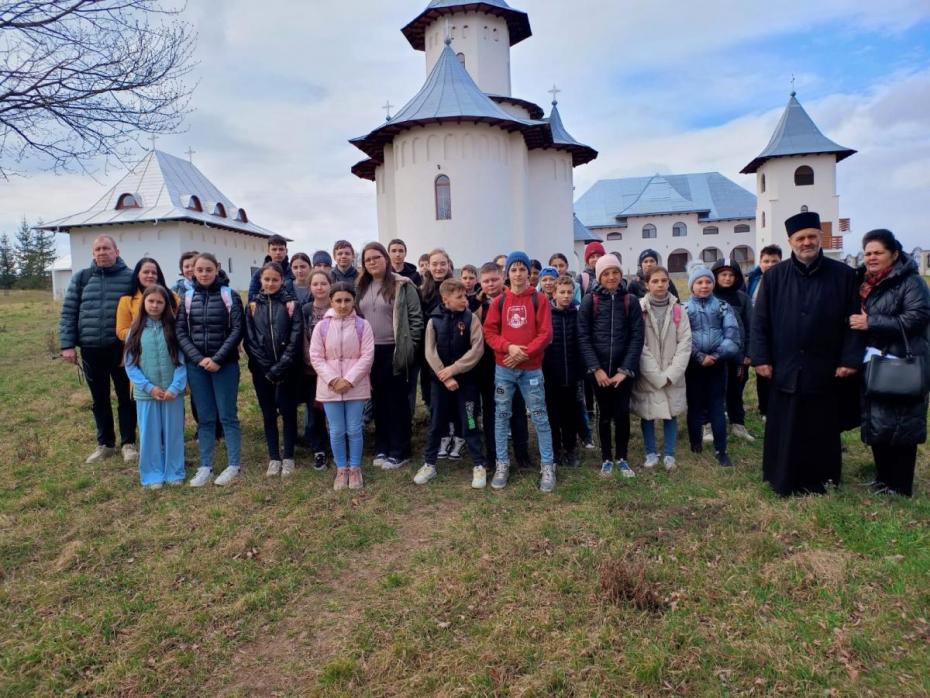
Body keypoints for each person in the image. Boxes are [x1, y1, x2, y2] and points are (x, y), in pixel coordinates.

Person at [750, 211, 864, 496]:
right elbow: (760, 321)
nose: (806, 242)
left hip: (825, 365)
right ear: (790, 241)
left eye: (812, 236)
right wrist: (761, 358)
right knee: (785, 425)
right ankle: (782, 478)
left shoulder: (843, 275)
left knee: (820, 425)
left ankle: (821, 480)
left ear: (820, 237)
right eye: (800, 238)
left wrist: (850, 359)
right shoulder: (774, 276)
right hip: (784, 364)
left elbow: (854, 322)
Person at [850, 229, 930, 497]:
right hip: (874, 361)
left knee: (903, 424)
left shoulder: (911, 282)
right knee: (878, 421)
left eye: (878, 253)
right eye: (868, 253)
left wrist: (871, 322)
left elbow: (916, 317)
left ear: (894, 254)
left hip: (902, 362)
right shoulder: (863, 281)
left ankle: (901, 485)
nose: (871, 258)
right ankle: (883, 478)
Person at [59, 234, 137, 464]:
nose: (102, 252)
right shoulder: (82, 278)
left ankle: (128, 443)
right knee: (99, 398)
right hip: (91, 348)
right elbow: (69, 312)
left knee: (126, 397)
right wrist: (67, 345)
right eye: (98, 249)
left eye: (106, 248)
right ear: (93, 253)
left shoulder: (130, 278)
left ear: (116, 252)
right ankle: (105, 444)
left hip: (122, 349)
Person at [483, 251, 557, 492]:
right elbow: (490, 332)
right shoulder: (499, 302)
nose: (517, 274)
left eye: (522, 269)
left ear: (528, 272)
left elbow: (545, 333)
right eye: (513, 270)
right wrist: (509, 348)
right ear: (507, 274)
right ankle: (502, 463)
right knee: (501, 416)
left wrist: (525, 353)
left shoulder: (539, 299)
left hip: (531, 370)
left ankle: (548, 465)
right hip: (504, 369)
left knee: (540, 416)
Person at [175, 252, 245, 487]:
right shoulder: (186, 298)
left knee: (227, 415)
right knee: (205, 418)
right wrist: (198, 359)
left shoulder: (229, 295)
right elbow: (181, 332)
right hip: (197, 367)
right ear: (192, 272)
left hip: (225, 365)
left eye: (208, 269)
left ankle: (233, 464)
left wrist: (217, 359)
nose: (204, 274)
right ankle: (205, 465)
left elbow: (237, 330)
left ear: (217, 269)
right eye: (199, 270)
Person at [356, 242, 423, 469]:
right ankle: (382, 447)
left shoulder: (402, 284)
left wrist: (409, 349)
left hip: (395, 350)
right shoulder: (361, 286)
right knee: (378, 402)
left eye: (376, 257)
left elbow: (416, 320)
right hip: (369, 351)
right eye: (367, 259)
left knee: (397, 403)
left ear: (385, 258)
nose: (372, 262)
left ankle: (400, 450)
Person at [578, 254, 645, 477]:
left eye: (615, 272)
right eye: (606, 273)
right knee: (604, 414)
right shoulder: (590, 301)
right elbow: (583, 337)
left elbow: (637, 337)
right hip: (598, 372)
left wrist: (625, 370)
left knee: (622, 413)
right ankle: (606, 457)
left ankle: (622, 457)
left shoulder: (630, 301)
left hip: (622, 371)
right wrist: (596, 369)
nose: (611, 277)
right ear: (599, 276)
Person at [416, 278, 488, 487]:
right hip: (441, 384)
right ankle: (429, 464)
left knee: (470, 422)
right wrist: (445, 376)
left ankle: (479, 465)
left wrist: (454, 370)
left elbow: (477, 349)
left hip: (467, 383)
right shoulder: (433, 321)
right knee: (436, 423)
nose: (465, 300)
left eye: (465, 296)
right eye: (459, 297)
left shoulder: (471, 319)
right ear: (445, 299)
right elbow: (429, 351)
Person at [309, 283, 376, 490]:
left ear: (354, 301)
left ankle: (354, 468)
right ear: (331, 301)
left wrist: (349, 380)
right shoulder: (322, 327)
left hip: (355, 386)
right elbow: (316, 357)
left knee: (354, 429)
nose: (343, 305)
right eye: (338, 300)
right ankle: (341, 468)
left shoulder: (363, 325)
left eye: (347, 300)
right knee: (337, 430)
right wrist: (333, 380)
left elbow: (367, 356)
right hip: (330, 388)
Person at [123, 285, 187, 488]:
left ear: (166, 304)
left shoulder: (174, 329)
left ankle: (174, 471)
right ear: (144, 303)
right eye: (151, 301)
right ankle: (152, 474)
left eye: (160, 302)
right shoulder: (135, 330)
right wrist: (149, 387)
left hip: (172, 393)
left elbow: (183, 362)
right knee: (149, 434)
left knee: (173, 433)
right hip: (146, 394)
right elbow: (130, 365)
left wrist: (175, 388)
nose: (155, 305)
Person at [245, 262, 304, 478]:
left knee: (288, 412)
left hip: (288, 369)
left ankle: (288, 456)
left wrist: (280, 367)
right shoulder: (252, 306)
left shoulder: (292, 305)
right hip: (262, 371)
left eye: (275, 280)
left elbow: (296, 339)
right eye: (266, 279)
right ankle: (274, 457)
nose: (270, 283)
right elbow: (250, 340)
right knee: (268, 413)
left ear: (282, 281)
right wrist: (267, 368)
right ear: (261, 280)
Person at [631, 266, 691, 471]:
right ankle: (650, 452)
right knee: (647, 413)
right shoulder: (639, 309)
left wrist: (672, 373)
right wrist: (655, 375)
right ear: (646, 284)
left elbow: (685, 344)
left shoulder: (678, 310)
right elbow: (638, 344)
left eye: (664, 281)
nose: (660, 285)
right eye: (655, 281)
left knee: (671, 413)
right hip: (648, 373)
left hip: (672, 373)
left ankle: (669, 453)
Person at [474, 262, 532, 470]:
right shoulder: (475, 304)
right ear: (480, 282)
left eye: (494, 280)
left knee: (517, 409)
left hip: (511, 362)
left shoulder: (514, 300)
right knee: (491, 411)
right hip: (486, 366)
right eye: (486, 281)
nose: (490, 284)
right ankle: (493, 455)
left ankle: (522, 455)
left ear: (503, 278)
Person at [685, 266, 740, 466]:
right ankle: (695, 443)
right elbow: (682, 338)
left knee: (717, 406)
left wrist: (716, 356)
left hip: (717, 365)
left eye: (708, 282)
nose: (704, 286)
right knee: (695, 405)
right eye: (699, 282)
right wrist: (699, 357)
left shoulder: (723, 307)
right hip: (694, 365)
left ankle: (721, 449)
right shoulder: (684, 309)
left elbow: (732, 336)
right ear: (692, 285)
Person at [710, 257, 754, 442]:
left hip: (737, 355)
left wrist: (749, 353)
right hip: (714, 354)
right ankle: (710, 425)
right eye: (723, 274)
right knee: (713, 390)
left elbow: (750, 326)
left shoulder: (743, 298)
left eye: (731, 275)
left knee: (736, 390)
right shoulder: (709, 296)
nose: (727, 278)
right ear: (715, 276)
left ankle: (738, 424)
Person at [543, 275, 583, 467]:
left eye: (569, 292)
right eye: (562, 292)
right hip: (551, 375)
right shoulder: (547, 315)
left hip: (572, 375)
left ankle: (570, 449)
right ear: (554, 293)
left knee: (570, 414)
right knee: (552, 414)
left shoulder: (578, 314)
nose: (566, 296)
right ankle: (555, 448)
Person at [419, 249, 455, 440]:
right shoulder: (423, 291)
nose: (439, 268)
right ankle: (438, 427)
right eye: (434, 264)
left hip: (453, 347)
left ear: (449, 265)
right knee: (431, 390)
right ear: (428, 267)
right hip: (429, 349)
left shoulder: (456, 287)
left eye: (442, 263)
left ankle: (456, 427)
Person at [301, 269, 332, 470]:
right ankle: (319, 449)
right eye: (315, 284)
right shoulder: (305, 310)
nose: (319, 287)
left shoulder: (340, 306)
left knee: (337, 411)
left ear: (330, 285)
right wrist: (314, 363)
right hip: (312, 371)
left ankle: (339, 447)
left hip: (337, 370)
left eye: (323, 283)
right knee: (315, 412)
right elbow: (303, 339)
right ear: (310, 287)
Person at [746, 244, 782, 418]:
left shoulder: (786, 280)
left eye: (774, 261)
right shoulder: (753, 279)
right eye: (766, 261)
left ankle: (779, 406)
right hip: (759, 332)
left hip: (780, 332)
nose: (770, 265)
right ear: (760, 262)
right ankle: (764, 409)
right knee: (762, 370)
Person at [116, 257, 179, 342]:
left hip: (169, 345)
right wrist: (148, 336)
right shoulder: (127, 300)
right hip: (138, 347)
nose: (150, 275)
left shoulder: (172, 296)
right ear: (137, 274)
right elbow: (121, 331)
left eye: (154, 273)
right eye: (146, 272)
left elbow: (180, 325)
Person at [248, 234, 295, 301]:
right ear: (268, 251)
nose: (278, 252)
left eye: (281, 249)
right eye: (274, 249)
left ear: (286, 251)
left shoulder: (293, 272)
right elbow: (252, 298)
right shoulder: (258, 274)